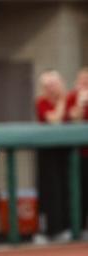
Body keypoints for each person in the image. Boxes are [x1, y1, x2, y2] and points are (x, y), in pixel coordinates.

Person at [35, 70, 72, 242]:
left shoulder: (70, 99)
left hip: (67, 152)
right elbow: (54, 120)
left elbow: (76, 117)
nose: (51, 89)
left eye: (54, 85)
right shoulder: (42, 102)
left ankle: (70, 227)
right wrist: (63, 100)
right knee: (50, 191)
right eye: (47, 86)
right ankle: (49, 230)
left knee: (68, 188)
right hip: (47, 153)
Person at [67, 67, 88, 236]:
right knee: (79, 193)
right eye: (82, 81)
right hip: (79, 155)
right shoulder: (73, 97)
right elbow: (74, 119)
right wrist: (81, 102)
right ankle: (79, 228)